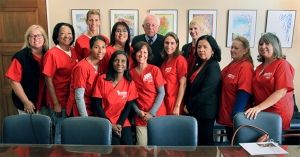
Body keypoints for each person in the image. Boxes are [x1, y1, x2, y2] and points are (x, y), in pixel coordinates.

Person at [245, 33, 294, 131]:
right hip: (261, 111)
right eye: (261, 44)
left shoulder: (282, 64)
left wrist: (259, 107)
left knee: (272, 144)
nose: (263, 47)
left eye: (267, 43)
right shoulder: (259, 68)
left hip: (276, 112)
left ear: (275, 45)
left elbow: (281, 92)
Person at [92, 50, 138, 145]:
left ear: (126, 65)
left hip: (122, 121)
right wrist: (110, 125)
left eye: (123, 61)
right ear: (112, 63)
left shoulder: (130, 83)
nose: (119, 63)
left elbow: (128, 108)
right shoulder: (102, 79)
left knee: (129, 147)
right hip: (104, 120)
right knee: (115, 149)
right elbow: (96, 105)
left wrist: (119, 125)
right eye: (116, 60)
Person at [43, 22, 78, 144]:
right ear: (57, 36)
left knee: (70, 132)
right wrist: (56, 103)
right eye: (62, 33)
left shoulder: (73, 51)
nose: (66, 36)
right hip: (59, 100)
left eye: (69, 33)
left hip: (71, 99)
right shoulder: (52, 54)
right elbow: (48, 80)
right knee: (60, 132)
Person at [183, 35, 221, 146]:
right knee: (196, 142)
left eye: (205, 47)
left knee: (205, 144)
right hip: (196, 111)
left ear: (213, 50)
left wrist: (189, 107)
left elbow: (205, 92)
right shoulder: (199, 63)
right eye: (199, 47)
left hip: (205, 112)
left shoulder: (213, 66)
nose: (201, 50)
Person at [5, 24, 49, 115]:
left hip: (46, 105)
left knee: (46, 129)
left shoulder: (49, 55)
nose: (36, 39)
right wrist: (26, 102)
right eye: (32, 36)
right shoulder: (20, 57)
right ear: (28, 39)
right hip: (28, 105)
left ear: (44, 38)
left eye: (39, 36)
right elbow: (13, 81)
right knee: (28, 129)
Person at [217, 36, 254, 142]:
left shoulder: (245, 67)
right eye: (232, 47)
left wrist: (236, 116)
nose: (232, 50)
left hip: (236, 118)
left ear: (245, 50)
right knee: (232, 145)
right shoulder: (233, 63)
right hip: (227, 114)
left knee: (238, 148)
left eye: (236, 48)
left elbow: (244, 92)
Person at [130, 41, 167, 145]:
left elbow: (161, 93)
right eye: (139, 51)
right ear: (135, 54)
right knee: (141, 148)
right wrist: (138, 112)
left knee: (158, 148)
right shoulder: (130, 73)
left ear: (148, 55)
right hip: (140, 116)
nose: (142, 55)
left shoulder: (154, 70)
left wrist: (152, 113)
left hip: (157, 114)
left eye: (145, 52)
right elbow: (130, 97)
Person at [66, 35, 107, 117]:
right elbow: (79, 97)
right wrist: (85, 118)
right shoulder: (82, 67)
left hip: (92, 107)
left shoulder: (101, 65)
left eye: (103, 47)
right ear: (90, 48)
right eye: (96, 47)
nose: (100, 51)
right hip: (80, 110)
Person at [160, 32, 187, 115]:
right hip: (165, 102)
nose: (169, 46)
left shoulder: (180, 60)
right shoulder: (164, 61)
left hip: (175, 102)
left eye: (172, 43)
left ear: (177, 44)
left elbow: (183, 85)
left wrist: (177, 106)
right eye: (166, 43)